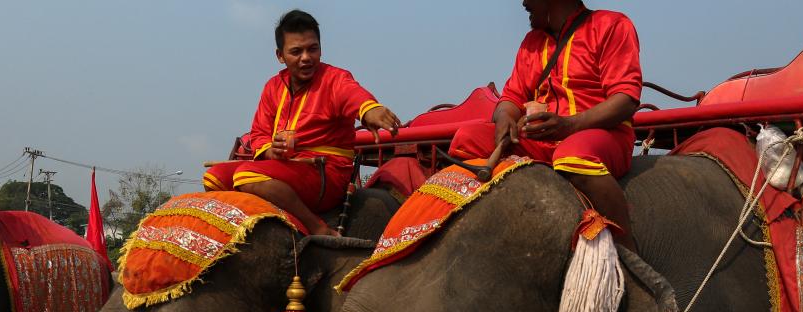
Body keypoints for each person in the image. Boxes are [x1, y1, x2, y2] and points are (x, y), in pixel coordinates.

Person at [448, 0, 641, 250]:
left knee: (572, 156)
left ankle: (628, 251)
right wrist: (505, 117)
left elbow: (625, 99)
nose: (524, 3)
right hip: (543, 141)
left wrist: (571, 125)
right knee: (466, 138)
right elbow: (511, 98)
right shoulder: (532, 42)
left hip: (602, 135)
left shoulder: (611, 25)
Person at [203, 9, 401, 236]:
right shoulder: (272, 87)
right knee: (214, 177)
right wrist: (270, 151)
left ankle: (317, 227)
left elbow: (353, 95)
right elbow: (258, 134)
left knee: (247, 175)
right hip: (284, 168)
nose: (306, 57)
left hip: (327, 171)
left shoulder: (334, 78)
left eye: (312, 49)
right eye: (296, 51)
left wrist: (370, 109)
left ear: (320, 48)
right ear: (280, 55)